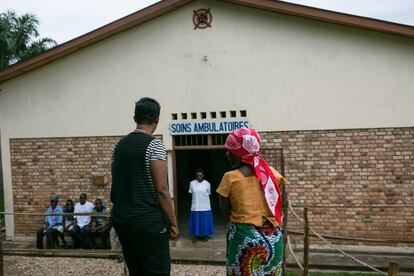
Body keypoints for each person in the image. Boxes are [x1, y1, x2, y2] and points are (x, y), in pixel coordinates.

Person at [111, 97, 179, 275]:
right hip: (147, 222)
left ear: (135, 118)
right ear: (156, 119)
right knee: (157, 271)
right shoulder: (154, 145)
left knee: (136, 270)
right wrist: (173, 223)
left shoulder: (118, 146)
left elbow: (118, 183)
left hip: (122, 220)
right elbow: (162, 190)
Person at [217, 127, 288, 276]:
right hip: (274, 238)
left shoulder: (230, 178)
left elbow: (225, 211)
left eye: (230, 152)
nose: (227, 156)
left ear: (240, 154)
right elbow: (281, 204)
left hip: (244, 238)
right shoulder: (272, 174)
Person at [188, 169, 214, 242]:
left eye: (200, 175)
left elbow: (208, 193)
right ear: (196, 176)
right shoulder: (192, 183)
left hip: (205, 206)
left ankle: (205, 236)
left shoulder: (207, 184)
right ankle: (196, 236)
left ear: (203, 176)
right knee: (196, 222)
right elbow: (190, 192)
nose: (199, 176)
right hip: (195, 206)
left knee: (205, 222)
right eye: (197, 175)